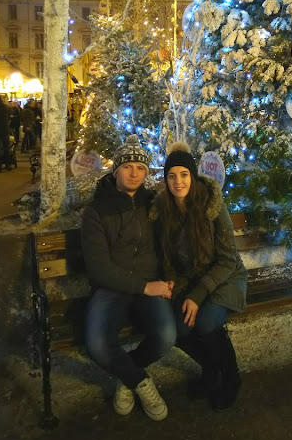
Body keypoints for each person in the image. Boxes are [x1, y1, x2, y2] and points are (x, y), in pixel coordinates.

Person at [81, 135, 176, 422]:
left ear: (146, 173)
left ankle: (126, 377)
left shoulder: (154, 204)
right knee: (97, 344)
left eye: (140, 168)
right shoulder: (97, 210)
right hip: (112, 288)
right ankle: (140, 383)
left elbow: (169, 243)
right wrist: (146, 286)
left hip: (149, 282)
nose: (134, 173)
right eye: (127, 167)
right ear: (116, 171)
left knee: (166, 336)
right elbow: (99, 268)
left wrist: (168, 278)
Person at [151, 141, 247, 410]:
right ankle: (210, 368)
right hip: (190, 282)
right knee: (179, 329)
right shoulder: (163, 210)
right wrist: (171, 283)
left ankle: (231, 378)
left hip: (225, 277)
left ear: (192, 176)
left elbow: (228, 260)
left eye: (183, 175)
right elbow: (166, 258)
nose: (178, 182)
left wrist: (196, 295)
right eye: (171, 176)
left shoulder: (211, 205)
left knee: (205, 322)